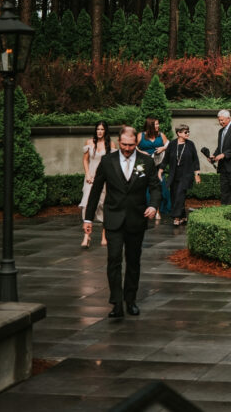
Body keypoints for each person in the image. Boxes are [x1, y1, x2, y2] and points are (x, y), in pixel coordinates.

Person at [83, 126, 159, 319]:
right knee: (114, 259)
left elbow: (155, 188)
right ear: (119, 141)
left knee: (133, 261)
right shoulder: (107, 161)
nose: (127, 148)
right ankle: (116, 302)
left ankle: (131, 300)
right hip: (114, 218)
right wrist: (88, 218)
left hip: (136, 219)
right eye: (124, 144)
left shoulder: (146, 161)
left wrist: (153, 205)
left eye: (131, 145)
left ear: (136, 143)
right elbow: (95, 190)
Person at [79, 120, 112, 248]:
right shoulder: (89, 143)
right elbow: (85, 160)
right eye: (98, 129)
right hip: (91, 177)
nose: (99, 131)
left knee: (104, 204)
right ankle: (86, 236)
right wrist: (87, 174)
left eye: (102, 129)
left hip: (104, 178)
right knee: (86, 203)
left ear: (105, 131)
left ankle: (104, 235)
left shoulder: (110, 145)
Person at [159, 124, 200, 226]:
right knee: (175, 196)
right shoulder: (172, 144)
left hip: (186, 175)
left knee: (180, 194)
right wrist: (160, 170)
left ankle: (176, 217)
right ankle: (183, 216)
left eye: (188, 131)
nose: (188, 134)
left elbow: (195, 160)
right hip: (174, 175)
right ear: (179, 133)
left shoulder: (190, 144)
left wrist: (197, 174)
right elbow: (166, 159)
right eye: (185, 132)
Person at [138, 117, 170, 220]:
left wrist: (163, 148)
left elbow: (169, 144)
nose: (158, 126)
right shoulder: (141, 135)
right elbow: (133, 146)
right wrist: (142, 152)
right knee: (143, 188)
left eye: (158, 124)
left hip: (157, 164)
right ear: (150, 125)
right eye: (156, 124)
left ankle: (158, 210)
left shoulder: (161, 135)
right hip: (142, 165)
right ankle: (147, 210)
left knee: (160, 187)